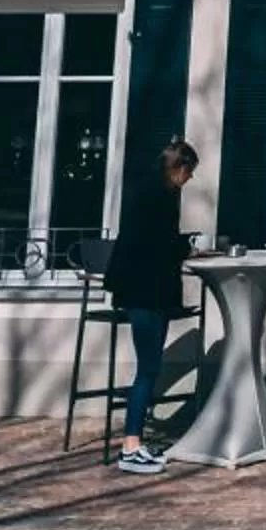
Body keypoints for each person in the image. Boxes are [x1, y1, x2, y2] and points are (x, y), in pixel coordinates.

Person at [109, 138, 196, 476]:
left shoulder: (146, 191)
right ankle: (131, 446)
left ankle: (135, 442)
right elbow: (159, 245)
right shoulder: (159, 197)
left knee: (148, 368)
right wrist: (185, 247)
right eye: (189, 172)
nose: (189, 179)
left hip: (138, 290)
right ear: (179, 168)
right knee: (147, 368)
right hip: (146, 293)